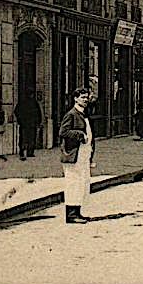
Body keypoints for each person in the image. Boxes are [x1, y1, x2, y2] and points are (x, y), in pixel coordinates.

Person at [59, 88, 95, 224]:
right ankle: (71, 214)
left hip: (83, 155)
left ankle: (78, 212)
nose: (85, 100)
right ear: (75, 98)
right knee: (73, 183)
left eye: (86, 98)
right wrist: (80, 135)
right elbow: (63, 132)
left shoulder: (83, 114)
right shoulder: (71, 114)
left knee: (82, 183)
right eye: (82, 97)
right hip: (73, 155)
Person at [14, 90, 42, 160]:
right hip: (29, 124)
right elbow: (38, 114)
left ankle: (25, 152)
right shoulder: (33, 103)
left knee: (25, 138)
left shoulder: (23, 102)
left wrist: (20, 120)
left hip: (26, 124)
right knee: (29, 138)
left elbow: (16, 111)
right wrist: (38, 122)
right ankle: (28, 152)